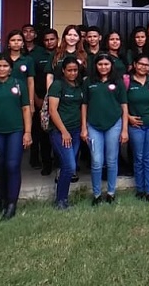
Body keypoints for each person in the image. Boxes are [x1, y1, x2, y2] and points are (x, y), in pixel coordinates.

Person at [0, 55, 32, 219]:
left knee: (12, 165)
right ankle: (2, 200)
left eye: (5, 66)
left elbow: (26, 108)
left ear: (11, 68)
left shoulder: (19, 84)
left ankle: (12, 203)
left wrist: (27, 132)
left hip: (16, 131)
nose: (2, 69)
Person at [83, 53, 128, 204]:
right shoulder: (89, 82)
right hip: (93, 125)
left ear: (111, 66)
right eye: (100, 64)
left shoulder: (118, 82)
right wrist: (84, 127)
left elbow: (124, 106)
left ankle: (111, 192)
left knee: (111, 160)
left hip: (114, 125)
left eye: (106, 64)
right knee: (96, 161)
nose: (103, 67)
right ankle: (96, 195)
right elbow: (84, 105)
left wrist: (125, 129)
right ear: (95, 66)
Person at [48, 57, 84, 210]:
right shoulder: (57, 85)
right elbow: (52, 110)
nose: (72, 73)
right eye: (69, 70)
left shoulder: (79, 85)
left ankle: (63, 198)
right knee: (69, 165)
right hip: (60, 131)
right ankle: (60, 200)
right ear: (63, 70)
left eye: (75, 70)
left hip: (76, 130)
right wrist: (63, 131)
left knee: (68, 166)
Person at [126, 54, 149, 202]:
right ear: (134, 64)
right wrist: (128, 117)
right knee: (139, 158)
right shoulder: (127, 81)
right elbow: (120, 102)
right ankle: (140, 189)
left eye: (146, 65)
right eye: (140, 64)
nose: (143, 67)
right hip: (135, 125)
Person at [30, 28, 58, 174]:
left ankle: (59, 163)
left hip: (60, 100)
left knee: (58, 133)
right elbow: (31, 80)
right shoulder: (36, 55)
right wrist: (36, 99)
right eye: (46, 40)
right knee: (43, 134)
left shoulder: (61, 54)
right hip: (40, 99)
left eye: (52, 39)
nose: (49, 42)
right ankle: (46, 163)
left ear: (57, 39)